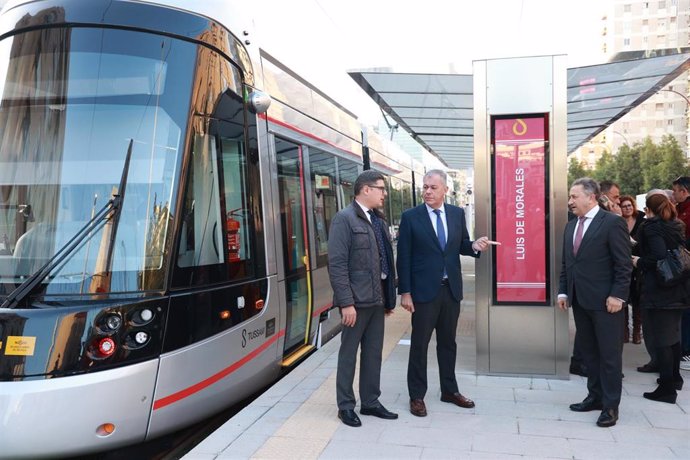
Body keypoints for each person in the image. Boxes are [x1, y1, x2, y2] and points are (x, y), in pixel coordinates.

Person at [396, 169, 493, 417]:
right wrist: (405, 292)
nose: (427, 191)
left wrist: (473, 246)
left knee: (448, 343)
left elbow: (460, 245)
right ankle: (416, 396)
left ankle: (449, 390)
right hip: (423, 293)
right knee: (420, 344)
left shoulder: (456, 214)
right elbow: (404, 257)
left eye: (433, 187)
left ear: (445, 190)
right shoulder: (411, 217)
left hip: (451, 291)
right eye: (425, 187)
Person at [558, 177, 632, 428]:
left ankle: (611, 406)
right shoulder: (571, 226)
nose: (570, 201)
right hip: (580, 300)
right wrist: (563, 292)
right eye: (570, 196)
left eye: (574, 196)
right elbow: (568, 263)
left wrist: (618, 295)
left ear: (591, 197)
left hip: (606, 303)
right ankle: (595, 397)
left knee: (609, 356)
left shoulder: (612, 223)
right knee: (589, 354)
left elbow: (623, 264)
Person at [328, 170, 398, 427]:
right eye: (381, 188)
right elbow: (337, 266)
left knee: (373, 353)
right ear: (366, 189)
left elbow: (386, 262)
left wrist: (388, 299)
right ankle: (345, 406)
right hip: (356, 303)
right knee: (348, 354)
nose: (384, 193)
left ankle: (370, 402)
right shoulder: (343, 219)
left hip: (376, 300)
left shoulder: (377, 220)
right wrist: (346, 303)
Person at [632, 193, 689, 403]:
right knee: (673, 337)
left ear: (648, 208)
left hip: (660, 289)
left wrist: (638, 261)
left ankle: (666, 389)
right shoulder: (676, 224)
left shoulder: (651, 226)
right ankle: (674, 379)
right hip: (679, 286)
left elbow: (657, 255)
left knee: (662, 340)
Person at [671, 176, 690, 371]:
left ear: (684, 191)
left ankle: (686, 352)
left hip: (686, 269)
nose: (673, 194)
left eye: (675, 191)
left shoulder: (687, 212)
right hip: (683, 269)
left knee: (687, 312)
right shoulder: (681, 210)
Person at [620, 195, 645, 344]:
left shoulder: (641, 220)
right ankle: (624, 332)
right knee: (622, 297)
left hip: (638, 263)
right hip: (622, 264)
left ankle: (636, 332)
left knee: (637, 299)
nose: (628, 208)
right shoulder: (617, 221)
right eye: (624, 206)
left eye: (630, 205)